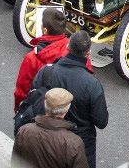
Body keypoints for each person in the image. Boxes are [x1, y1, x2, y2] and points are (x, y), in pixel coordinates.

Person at [31, 31, 108, 168]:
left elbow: (33, 99)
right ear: (88, 53)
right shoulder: (92, 84)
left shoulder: (46, 72)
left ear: (67, 47)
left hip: (48, 135)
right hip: (81, 141)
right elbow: (101, 121)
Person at [14, 87, 88, 168]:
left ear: (45, 105)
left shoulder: (24, 130)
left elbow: (15, 161)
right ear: (66, 110)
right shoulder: (74, 143)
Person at [14, 7, 70, 112]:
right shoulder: (73, 51)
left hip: (40, 108)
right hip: (64, 108)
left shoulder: (31, 58)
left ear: (45, 30)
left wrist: (18, 108)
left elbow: (22, 89)